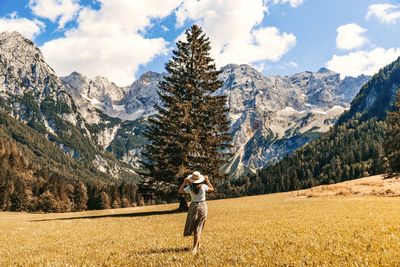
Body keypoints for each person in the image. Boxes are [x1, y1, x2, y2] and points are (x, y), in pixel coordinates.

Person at [178, 171, 214, 254]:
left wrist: (184, 182)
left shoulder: (189, 188)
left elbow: (180, 191)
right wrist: (207, 180)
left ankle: (197, 246)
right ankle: (196, 247)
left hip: (193, 206)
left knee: (195, 227)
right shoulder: (204, 186)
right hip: (203, 206)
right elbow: (212, 189)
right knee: (199, 226)